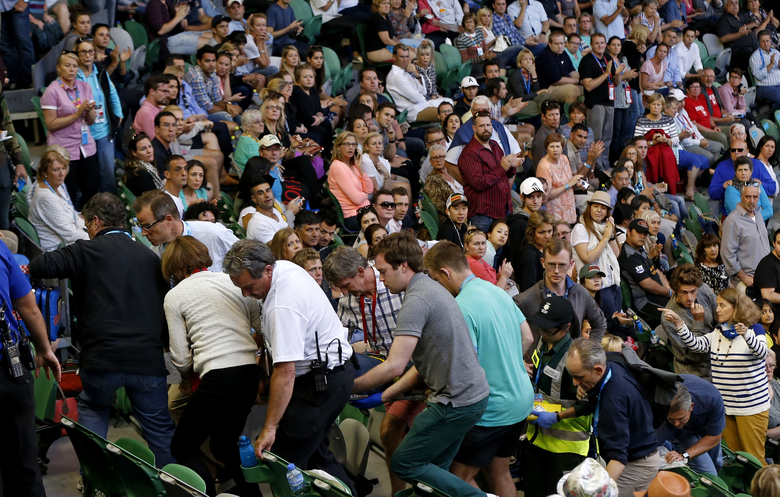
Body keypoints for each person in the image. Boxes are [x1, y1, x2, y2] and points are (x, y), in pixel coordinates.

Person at [29, 193, 176, 466]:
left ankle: (95, 481)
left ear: (96, 221)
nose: (87, 231)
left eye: (86, 226)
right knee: (160, 430)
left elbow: (40, 265)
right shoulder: (150, 258)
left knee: (93, 408)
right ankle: (174, 487)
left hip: (101, 360)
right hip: (147, 360)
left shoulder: (85, 250)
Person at [350, 232, 491, 497]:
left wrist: (349, 386)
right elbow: (417, 366)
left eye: (383, 272)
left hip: (456, 403)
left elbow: (394, 366)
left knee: (404, 462)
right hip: (473, 398)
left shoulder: (416, 300)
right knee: (434, 472)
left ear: (403, 266)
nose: (381, 279)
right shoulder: (428, 288)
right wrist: (383, 395)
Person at [223, 240, 355, 492]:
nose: (245, 294)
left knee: (281, 459)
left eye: (249, 287)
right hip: (330, 374)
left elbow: (286, 371)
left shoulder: (282, 305)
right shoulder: (283, 267)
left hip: (321, 382)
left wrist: (269, 428)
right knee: (316, 455)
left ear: (267, 270)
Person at [424, 241, 533, 497]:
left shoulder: (460, 306)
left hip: (491, 410)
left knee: (456, 478)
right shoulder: (497, 290)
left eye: (434, 279)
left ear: (446, 273)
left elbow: (465, 368)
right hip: (520, 401)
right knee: (499, 472)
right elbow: (527, 337)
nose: (434, 287)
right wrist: (506, 362)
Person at [162, 236, 262, 497]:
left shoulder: (174, 296)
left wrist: (185, 377)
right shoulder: (233, 282)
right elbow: (261, 326)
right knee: (223, 444)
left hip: (218, 377)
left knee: (183, 447)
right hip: (249, 373)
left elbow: (181, 357)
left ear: (174, 268)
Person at [322, 246, 412, 495]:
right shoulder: (349, 299)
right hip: (384, 363)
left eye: (347, 284)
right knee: (339, 369)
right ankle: (397, 492)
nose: (345, 292)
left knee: (396, 432)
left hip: (415, 363)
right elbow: (336, 340)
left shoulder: (396, 284)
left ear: (361, 271)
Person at [663, 288, 769, 463]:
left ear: (737, 308)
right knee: (736, 459)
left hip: (751, 407)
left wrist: (746, 335)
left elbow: (762, 353)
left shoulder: (755, 329)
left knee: (755, 459)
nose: (717, 309)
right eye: (717, 305)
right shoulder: (718, 332)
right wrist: (680, 324)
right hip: (726, 407)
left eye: (722, 305)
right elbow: (696, 345)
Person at [0, 219, 60, 497]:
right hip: (10, 371)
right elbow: (29, 308)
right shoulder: (1, 249)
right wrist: (45, 349)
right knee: (25, 467)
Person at [565, 338, 660, 496]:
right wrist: (588, 390)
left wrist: (595, 493)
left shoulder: (613, 401)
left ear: (598, 370)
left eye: (579, 377)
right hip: (633, 453)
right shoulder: (610, 361)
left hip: (636, 464)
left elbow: (618, 460)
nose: (575, 383)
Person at [522, 296, 593, 497]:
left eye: (549, 330)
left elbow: (589, 404)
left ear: (566, 327)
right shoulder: (544, 343)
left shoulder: (578, 357)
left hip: (566, 449)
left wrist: (556, 417)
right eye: (541, 328)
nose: (543, 333)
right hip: (536, 440)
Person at [514, 238, 607, 345]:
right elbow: (507, 331)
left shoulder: (581, 293)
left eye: (562, 265)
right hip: (541, 360)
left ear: (571, 264)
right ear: (543, 263)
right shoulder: (526, 299)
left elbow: (600, 323)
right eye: (551, 264)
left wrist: (588, 352)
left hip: (574, 359)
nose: (556, 271)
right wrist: (522, 357)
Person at [41, 50, 100, 209]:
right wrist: (77, 113)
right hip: (64, 150)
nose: (72, 69)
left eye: (75, 66)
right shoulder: (52, 91)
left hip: (86, 147)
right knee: (70, 193)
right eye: (67, 65)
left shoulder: (85, 87)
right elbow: (51, 124)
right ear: (59, 68)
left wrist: (88, 112)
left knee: (91, 190)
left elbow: (91, 121)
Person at [133, 190, 238, 271]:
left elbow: (248, 261)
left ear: (168, 220)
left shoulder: (214, 234)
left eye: (148, 226)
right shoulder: (154, 255)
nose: (143, 233)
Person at [75, 37, 123, 195]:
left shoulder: (101, 72)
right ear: (77, 54)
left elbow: (112, 93)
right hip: (82, 133)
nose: (87, 55)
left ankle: (112, 205)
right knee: (89, 176)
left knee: (108, 172)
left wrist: (118, 113)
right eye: (83, 52)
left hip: (103, 130)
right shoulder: (73, 75)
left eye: (90, 51)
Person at [457, 113, 520, 232]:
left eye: (488, 125)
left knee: (500, 250)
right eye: (481, 126)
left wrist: (512, 166)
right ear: (474, 128)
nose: (486, 129)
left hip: (501, 209)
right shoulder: (469, 153)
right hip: (483, 215)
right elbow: (478, 183)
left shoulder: (495, 145)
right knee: (482, 249)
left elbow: (505, 174)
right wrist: (502, 168)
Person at [655, 379, 725, 475]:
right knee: (709, 474)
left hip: (706, 424)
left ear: (691, 407)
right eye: (671, 419)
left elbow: (715, 436)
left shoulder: (711, 399)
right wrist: (681, 456)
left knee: (717, 463)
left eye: (680, 418)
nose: (676, 423)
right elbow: (647, 446)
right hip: (680, 433)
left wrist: (685, 455)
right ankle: (671, 448)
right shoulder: (660, 413)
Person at [28, 147, 90, 253]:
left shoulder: (57, 186)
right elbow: (70, 234)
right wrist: (97, 236)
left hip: (69, 240)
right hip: (58, 250)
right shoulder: (46, 197)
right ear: (45, 172)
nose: (62, 174)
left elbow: (72, 215)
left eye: (63, 168)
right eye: (56, 170)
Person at [571, 191, 622, 319]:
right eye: (595, 206)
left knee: (618, 324)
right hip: (595, 288)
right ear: (589, 207)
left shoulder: (604, 228)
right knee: (605, 326)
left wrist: (611, 234)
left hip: (613, 283)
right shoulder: (580, 228)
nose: (599, 210)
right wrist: (604, 239)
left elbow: (616, 254)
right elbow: (587, 258)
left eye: (603, 208)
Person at [663, 264, 716, 380]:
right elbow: (694, 356)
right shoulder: (669, 316)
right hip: (695, 372)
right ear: (675, 290)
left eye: (693, 291)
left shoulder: (704, 290)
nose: (689, 297)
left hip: (718, 361)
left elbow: (722, 319)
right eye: (683, 292)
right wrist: (698, 322)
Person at [579, 33, 622, 171]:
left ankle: (604, 166)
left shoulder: (608, 58)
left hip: (609, 102)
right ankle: (594, 168)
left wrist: (617, 74)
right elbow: (588, 86)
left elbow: (615, 83)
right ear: (591, 45)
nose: (600, 46)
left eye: (602, 43)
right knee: (596, 138)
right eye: (597, 43)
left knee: (607, 139)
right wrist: (605, 74)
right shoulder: (586, 61)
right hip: (595, 104)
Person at [618, 218, 671, 327]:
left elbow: (656, 271)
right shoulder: (629, 256)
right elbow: (647, 285)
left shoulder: (640, 250)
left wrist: (670, 291)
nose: (642, 236)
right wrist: (668, 293)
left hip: (656, 296)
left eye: (645, 233)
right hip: (643, 302)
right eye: (639, 232)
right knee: (676, 312)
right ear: (629, 232)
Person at [722, 184, 771, 294]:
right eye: (748, 197)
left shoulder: (758, 213)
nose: (752, 201)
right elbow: (727, 254)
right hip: (748, 280)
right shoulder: (732, 221)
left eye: (755, 197)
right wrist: (744, 277)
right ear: (741, 196)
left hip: (765, 275)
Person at [386, 44, 453, 123]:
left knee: (451, 103)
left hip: (422, 104)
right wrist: (428, 99)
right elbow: (416, 98)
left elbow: (423, 90)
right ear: (394, 57)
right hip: (414, 111)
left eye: (407, 57)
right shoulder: (396, 76)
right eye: (402, 57)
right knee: (449, 113)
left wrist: (417, 75)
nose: (405, 60)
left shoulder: (404, 72)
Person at [328, 132, 372, 232]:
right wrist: (366, 195)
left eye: (353, 144)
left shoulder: (353, 165)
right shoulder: (338, 167)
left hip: (364, 211)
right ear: (338, 147)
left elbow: (369, 188)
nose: (351, 147)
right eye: (347, 144)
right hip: (353, 216)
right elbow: (356, 199)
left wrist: (360, 168)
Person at [185, 45, 242, 123]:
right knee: (227, 116)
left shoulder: (211, 73)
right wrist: (228, 108)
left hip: (208, 109)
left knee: (237, 114)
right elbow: (207, 108)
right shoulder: (197, 78)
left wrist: (229, 105)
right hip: (197, 115)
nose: (211, 64)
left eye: (214, 61)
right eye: (207, 61)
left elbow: (217, 100)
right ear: (199, 62)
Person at [536, 133, 581, 225]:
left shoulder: (564, 158)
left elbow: (570, 180)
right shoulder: (544, 166)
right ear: (546, 148)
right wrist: (568, 185)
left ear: (562, 147)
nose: (555, 150)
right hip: (554, 211)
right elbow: (546, 195)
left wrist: (577, 183)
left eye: (558, 146)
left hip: (569, 206)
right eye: (552, 146)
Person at [535, 31, 582, 104]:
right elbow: (557, 81)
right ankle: (567, 114)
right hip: (548, 88)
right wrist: (578, 81)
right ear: (550, 43)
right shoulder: (546, 56)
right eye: (557, 44)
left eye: (562, 43)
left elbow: (572, 71)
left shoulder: (563, 52)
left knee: (587, 88)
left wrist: (583, 79)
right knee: (573, 90)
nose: (560, 46)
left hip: (563, 84)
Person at [0, 0, 36, 89]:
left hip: (17, 4)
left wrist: (25, 0)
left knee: (24, 42)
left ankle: (30, 81)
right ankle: (14, 81)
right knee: (5, 47)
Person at [724, 157, 773, 221]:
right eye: (740, 170)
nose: (743, 173)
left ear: (751, 172)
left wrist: (753, 217)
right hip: (741, 228)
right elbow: (740, 214)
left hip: (759, 228)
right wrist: (760, 210)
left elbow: (769, 210)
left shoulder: (757, 185)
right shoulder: (731, 189)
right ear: (736, 173)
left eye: (746, 170)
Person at [716, 0, 759, 72]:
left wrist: (746, 26)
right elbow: (724, 38)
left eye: (736, 3)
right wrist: (740, 34)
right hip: (738, 51)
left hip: (754, 46)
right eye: (731, 3)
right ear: (726, 6)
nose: (735, 5)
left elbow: (755, 23)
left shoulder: (741, 15)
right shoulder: (724, 20)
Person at [515, 211, 553, 292]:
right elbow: (529, 288)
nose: (547, 236)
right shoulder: (529, 255)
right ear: (532, 232)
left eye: (549, 231)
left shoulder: (547, 248)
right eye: (542, 232)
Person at [749, 30, 780, 110]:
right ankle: (772, 107)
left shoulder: (776, 52)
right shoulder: (755, 57)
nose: (766, 43)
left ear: (771, 41)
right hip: (764, 87)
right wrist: (771, 64)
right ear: (758, 42)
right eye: (763, 41)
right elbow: (758, 76)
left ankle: (773, 106)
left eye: (767, 41)